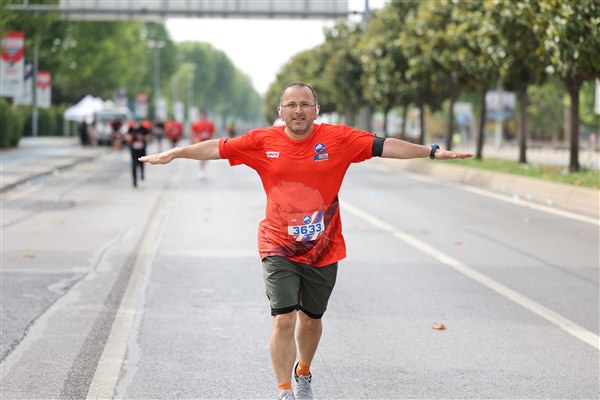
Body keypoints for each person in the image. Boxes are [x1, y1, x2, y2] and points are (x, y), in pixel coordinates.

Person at [139, 82, 473, 400]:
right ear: (280, 111)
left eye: (304, 104)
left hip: (323, 249)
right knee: (283, 318)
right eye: (291, 105)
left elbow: (384, 146)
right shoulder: (262, 141)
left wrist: (431, 151)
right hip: (278, 245)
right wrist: (178, 152)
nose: (298, 110)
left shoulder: (338, 139)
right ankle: (284, 390)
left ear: (316, 110)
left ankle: (303, 371)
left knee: (311, 319)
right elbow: (218, 147)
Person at [189, 111, 215, 179]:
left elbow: (212, 132)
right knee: (201, 156)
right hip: (199, 141)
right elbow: (192, 133)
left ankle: (204, 163)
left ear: (205, 116)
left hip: (207, 141)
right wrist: (193, 140)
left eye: (203, 116)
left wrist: (212, 140)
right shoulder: (196, 124)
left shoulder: (209, 124)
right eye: (201, 116)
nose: (202, 117)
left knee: (206, 156)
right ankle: (201, 170)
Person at [125, 120, 150, 188]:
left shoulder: (143, 129)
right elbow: (127, 137)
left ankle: (142, 173)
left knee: (142, 163)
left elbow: (148, 137)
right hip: (134, 151)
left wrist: (142, 137)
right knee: (134, 164)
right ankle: (134, 181)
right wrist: (131, 138)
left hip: (141, 150)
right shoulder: (131, 129)